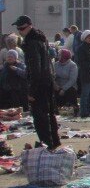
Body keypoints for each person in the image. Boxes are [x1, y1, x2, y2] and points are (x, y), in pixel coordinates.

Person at [14, 15, 60, 150]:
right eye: (18, 29)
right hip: (47, 80)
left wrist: (31, 91)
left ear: (29, 26)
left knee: (40, 117)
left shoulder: (31, 43)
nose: (20, 31)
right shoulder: (41, 39)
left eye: (21, 28)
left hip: (39, 83)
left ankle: (47, 144)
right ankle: (54, 141)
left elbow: (35, 68)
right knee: (49, 114)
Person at [53, 49, 79, 115]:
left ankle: (73, 109)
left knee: (70, 91)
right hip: (58, 86)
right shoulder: (56, 64)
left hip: (69, 86)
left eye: (59, 55)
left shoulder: (72, 65)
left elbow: (73, 80)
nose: (58, 56)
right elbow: (53, 76)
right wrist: (55, 84)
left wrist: (64, 89)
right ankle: (56, 109)